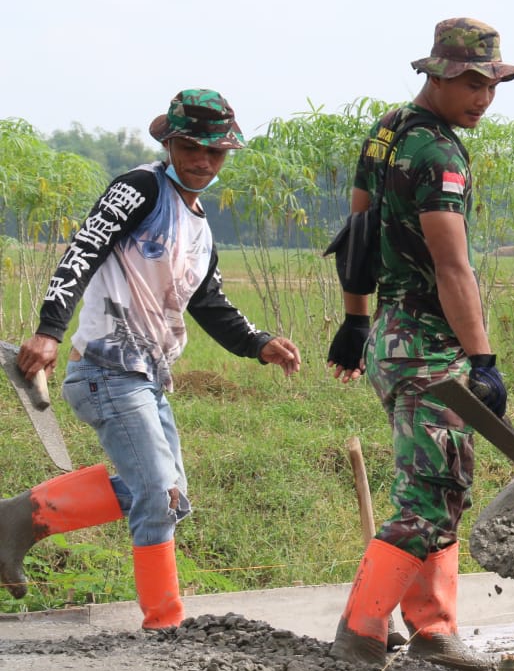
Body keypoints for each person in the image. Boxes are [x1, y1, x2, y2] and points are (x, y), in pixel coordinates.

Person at [0, 89, 302, 629]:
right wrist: (48, 330)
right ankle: (165, 624)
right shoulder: (140, 187)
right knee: (158, 497)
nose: (203, 161)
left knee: (171, 496)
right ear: (168, 142)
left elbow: (207, 301)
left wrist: (258, 342)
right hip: (106, 369)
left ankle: (17, 519)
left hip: (147, 377)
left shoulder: (201, 226)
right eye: (190, 147)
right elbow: (83, 251)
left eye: (216, 153)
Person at [323, 18, 514, 671]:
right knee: (430, 494)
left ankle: (434, 630)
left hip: (390, 334)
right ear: (435, 74)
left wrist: (355, 320)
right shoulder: (437, 155)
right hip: (428, 350)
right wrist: (483, 359)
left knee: (442, 482)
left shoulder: (388, 129)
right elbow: (452, 265)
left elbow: (356, 224)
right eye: (470, 84)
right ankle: (360, 629)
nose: (482, 98)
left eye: (491, 85)